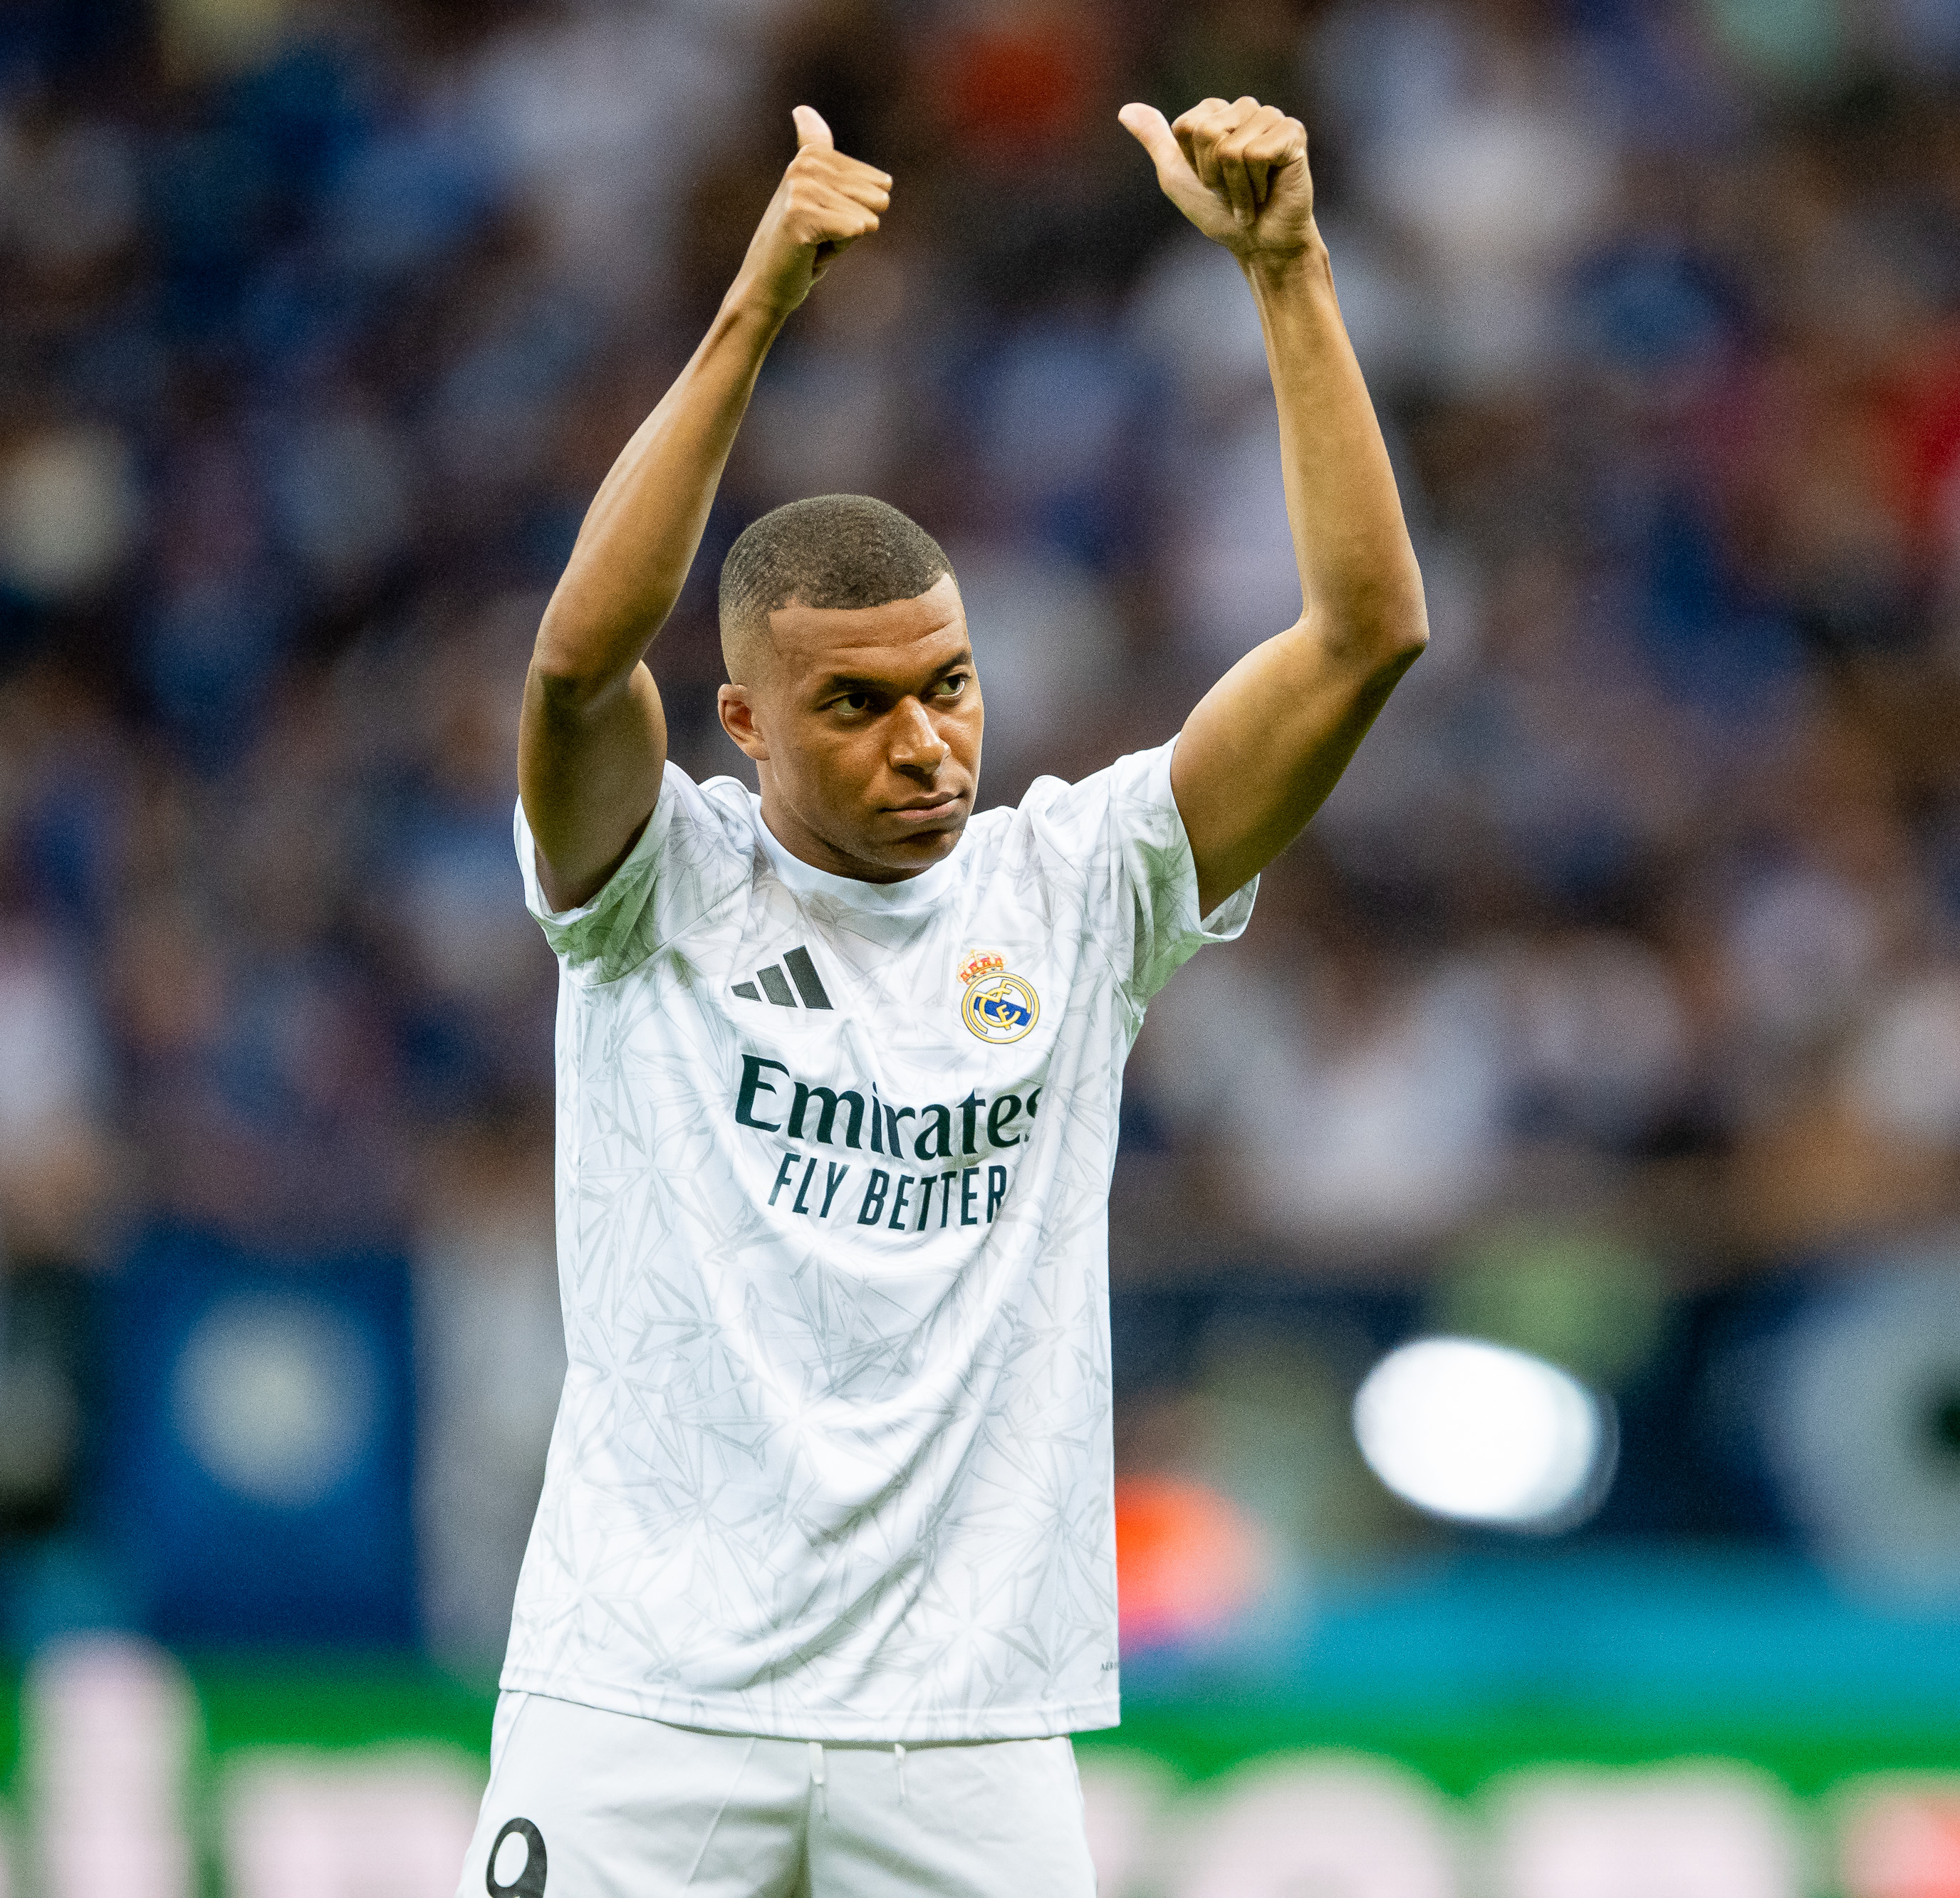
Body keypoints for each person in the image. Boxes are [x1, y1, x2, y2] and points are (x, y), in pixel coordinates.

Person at [456, 95, 1425, 1897]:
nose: (928, 740)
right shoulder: (657, 886)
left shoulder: (1077, 887)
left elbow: (1366, 636)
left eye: (951, 683)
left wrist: (1285, 270)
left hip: (969, 1730)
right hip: (645, 1699)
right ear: (742, 723)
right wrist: (753, 308)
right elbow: (582, 657)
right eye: (856, 705)